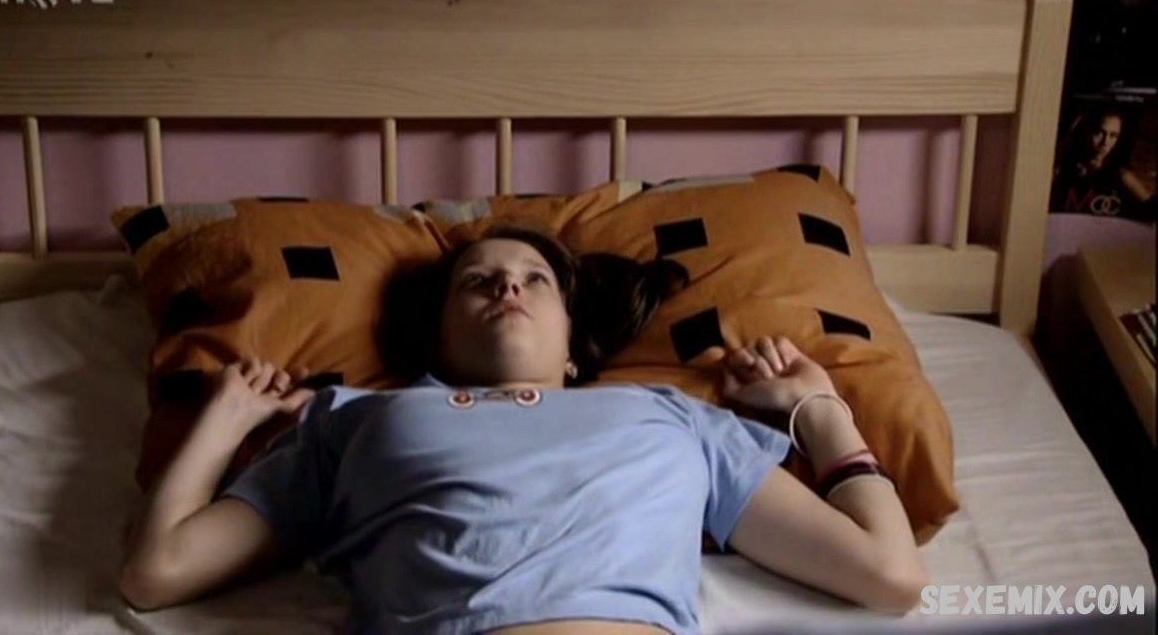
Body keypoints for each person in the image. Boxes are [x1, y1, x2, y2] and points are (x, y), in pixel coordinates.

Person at [118, 223, 930, 633]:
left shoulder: (672, 417)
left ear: (574, 346)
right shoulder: (357, 419)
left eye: (535, 280)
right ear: (438, 338)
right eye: (477, 281)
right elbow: (156, 572)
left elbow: (890, 574)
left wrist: (822, 412)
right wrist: (220, 424)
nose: (507, 287)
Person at [1050, 107, 1155, 220]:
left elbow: (1151, 208)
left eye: (1113, 135)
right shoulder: (1061, 169)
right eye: (1100, 133)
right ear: (1087, 132)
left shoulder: (1120, 175)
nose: (1105, 142)